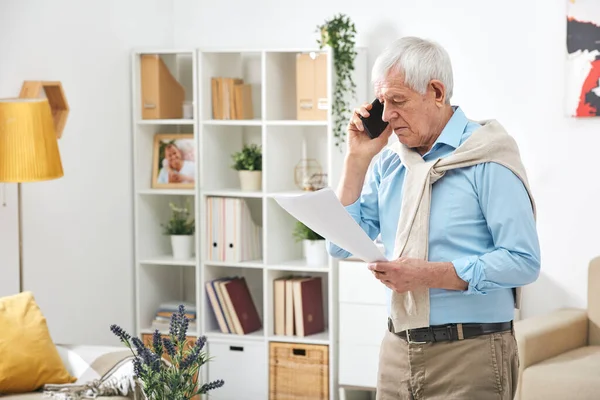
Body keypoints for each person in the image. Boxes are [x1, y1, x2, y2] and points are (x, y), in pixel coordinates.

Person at [327, 36, 541, 400]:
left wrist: (428, 275)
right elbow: (339, 245)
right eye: (382, 103)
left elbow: (523, 261)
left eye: (398, 101)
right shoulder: (390, 164)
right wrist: (356, 159)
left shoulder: (488, 157)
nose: (388, 115)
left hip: (470, 353)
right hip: (397, 349)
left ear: (437, 92)